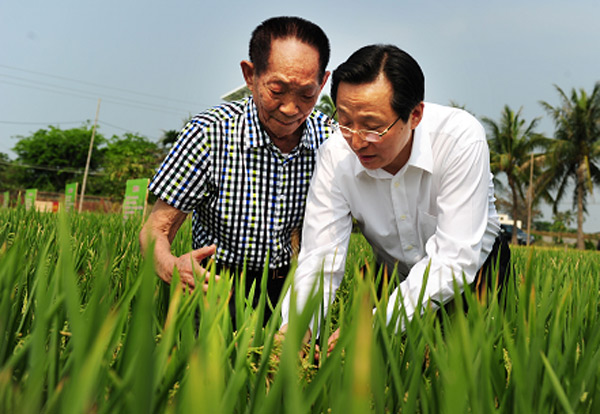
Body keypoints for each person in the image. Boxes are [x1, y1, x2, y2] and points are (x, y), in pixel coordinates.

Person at [281, 44, 510, 350]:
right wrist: (297, 328)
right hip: (394, 274)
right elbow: (320, 258)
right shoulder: (335, 155)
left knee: (471, 372)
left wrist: (376, 324)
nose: (357, 141)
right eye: (345, 122)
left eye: (374, 127)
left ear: (414, 115)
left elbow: (455, 257)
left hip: (476, 273)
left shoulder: (459, 139)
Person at [140, 16, 332, 325]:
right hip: (217, 287)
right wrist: (168, 263)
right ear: (250, 75)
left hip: (294, 291)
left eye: (307, 94)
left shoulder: (331, 141)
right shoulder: (209, 134)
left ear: (323, 84)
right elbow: (156, 230)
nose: (290, 108)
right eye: (277, 90)